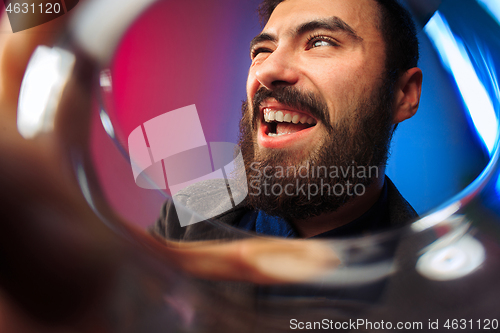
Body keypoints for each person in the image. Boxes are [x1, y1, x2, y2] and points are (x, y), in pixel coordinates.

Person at [153, 0, 423, 241]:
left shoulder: (449, 291)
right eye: (262, 50)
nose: (267, 70)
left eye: (320, 42)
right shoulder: (185, 216)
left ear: (404, 94)